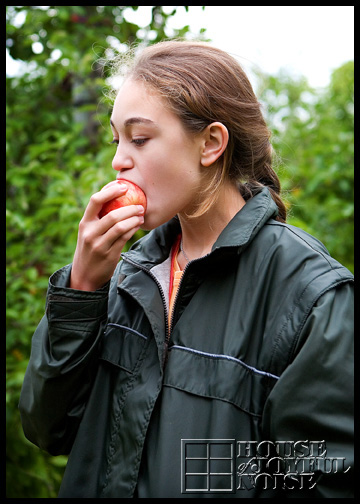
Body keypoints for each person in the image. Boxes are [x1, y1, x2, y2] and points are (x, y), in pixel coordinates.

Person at [19, 40, 353, 498]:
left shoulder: (312, 296)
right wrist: (82, 288)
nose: (119, 160)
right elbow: (46, 428)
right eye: (116, 140)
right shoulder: (128, 275)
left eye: (139, 138)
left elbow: (325, 483)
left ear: (211, 143)